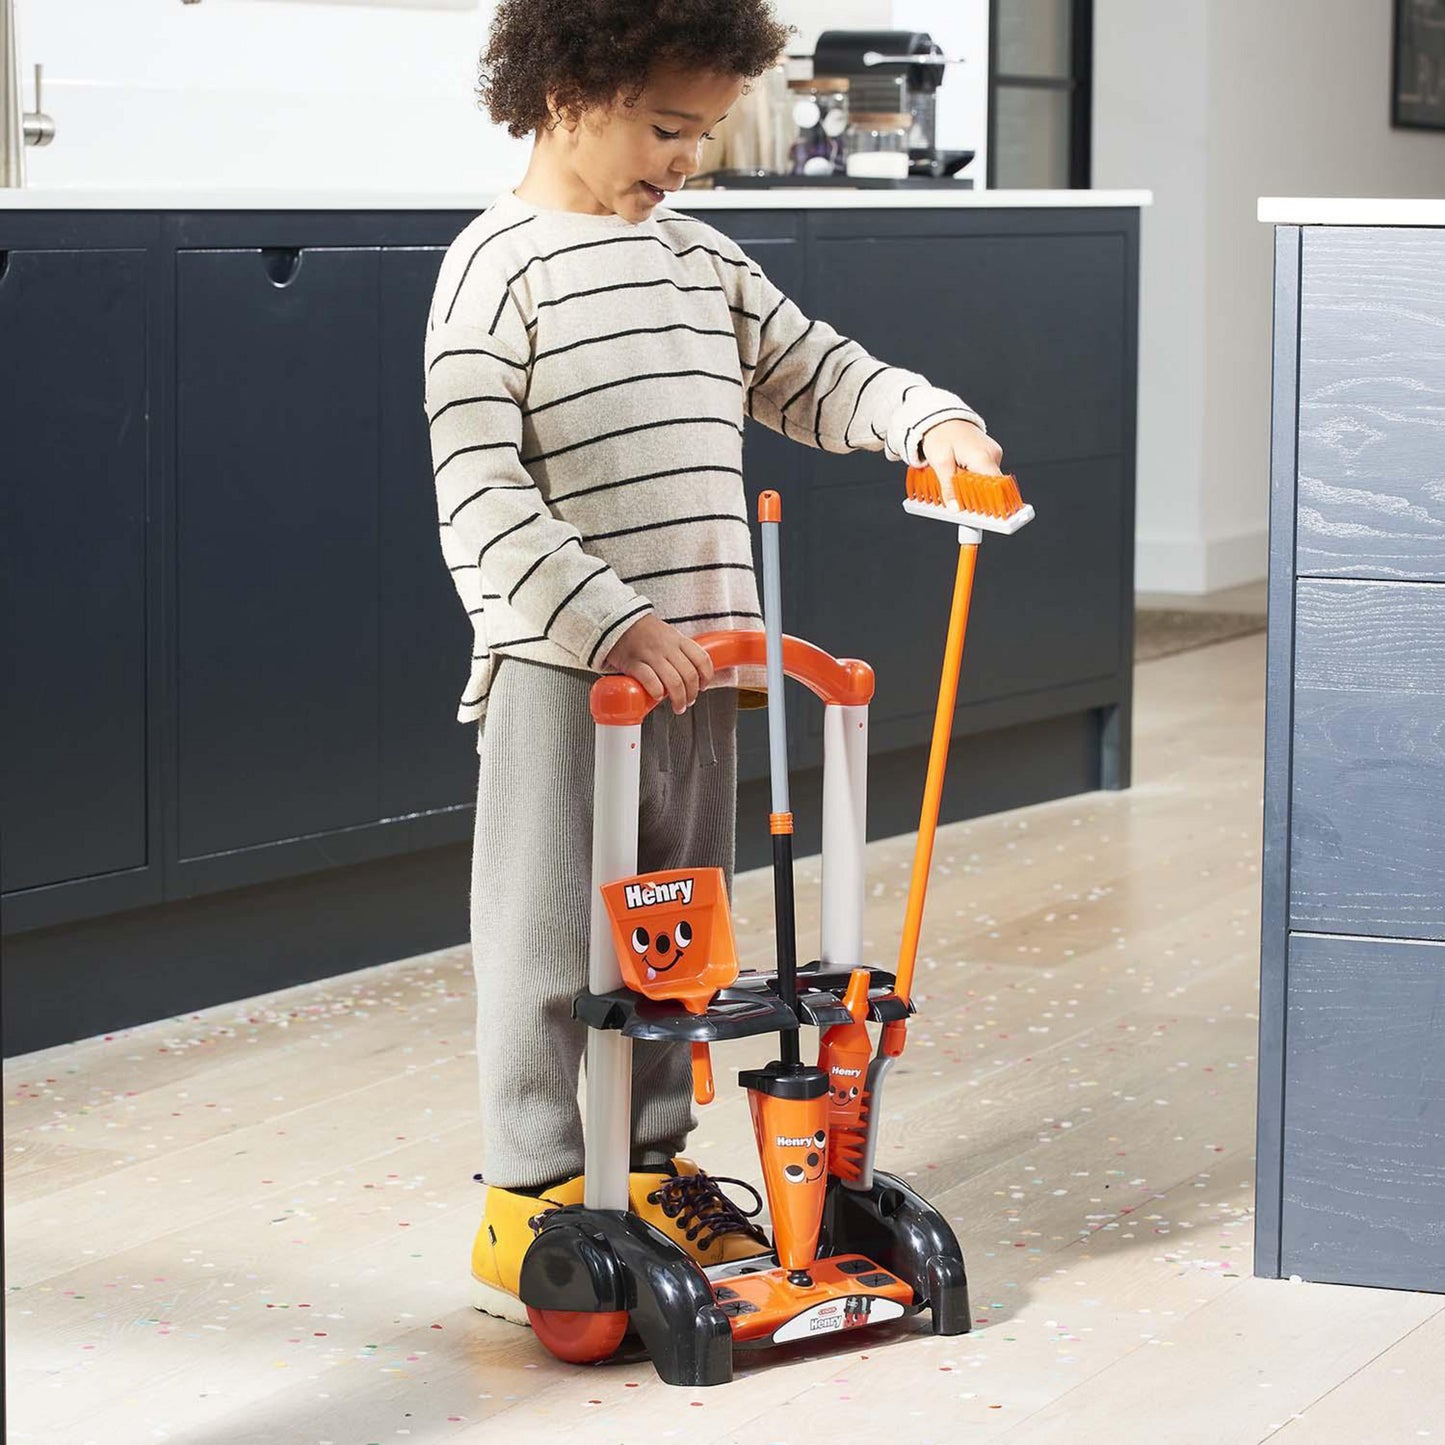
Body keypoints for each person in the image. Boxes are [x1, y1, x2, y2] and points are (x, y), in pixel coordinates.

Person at [423, 0, 1004, 1325]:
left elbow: (813, 374)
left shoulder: (699, 261)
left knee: (673, 936)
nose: (684, 160)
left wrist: (930, 420)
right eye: (666, 127)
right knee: (549, 935)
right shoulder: (494, 271)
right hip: (569, 669)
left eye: (702, 132)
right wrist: (600, 614)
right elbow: (480, 492)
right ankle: (533, 1191)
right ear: (568, 93)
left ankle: (653, 1160)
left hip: (709, 669)